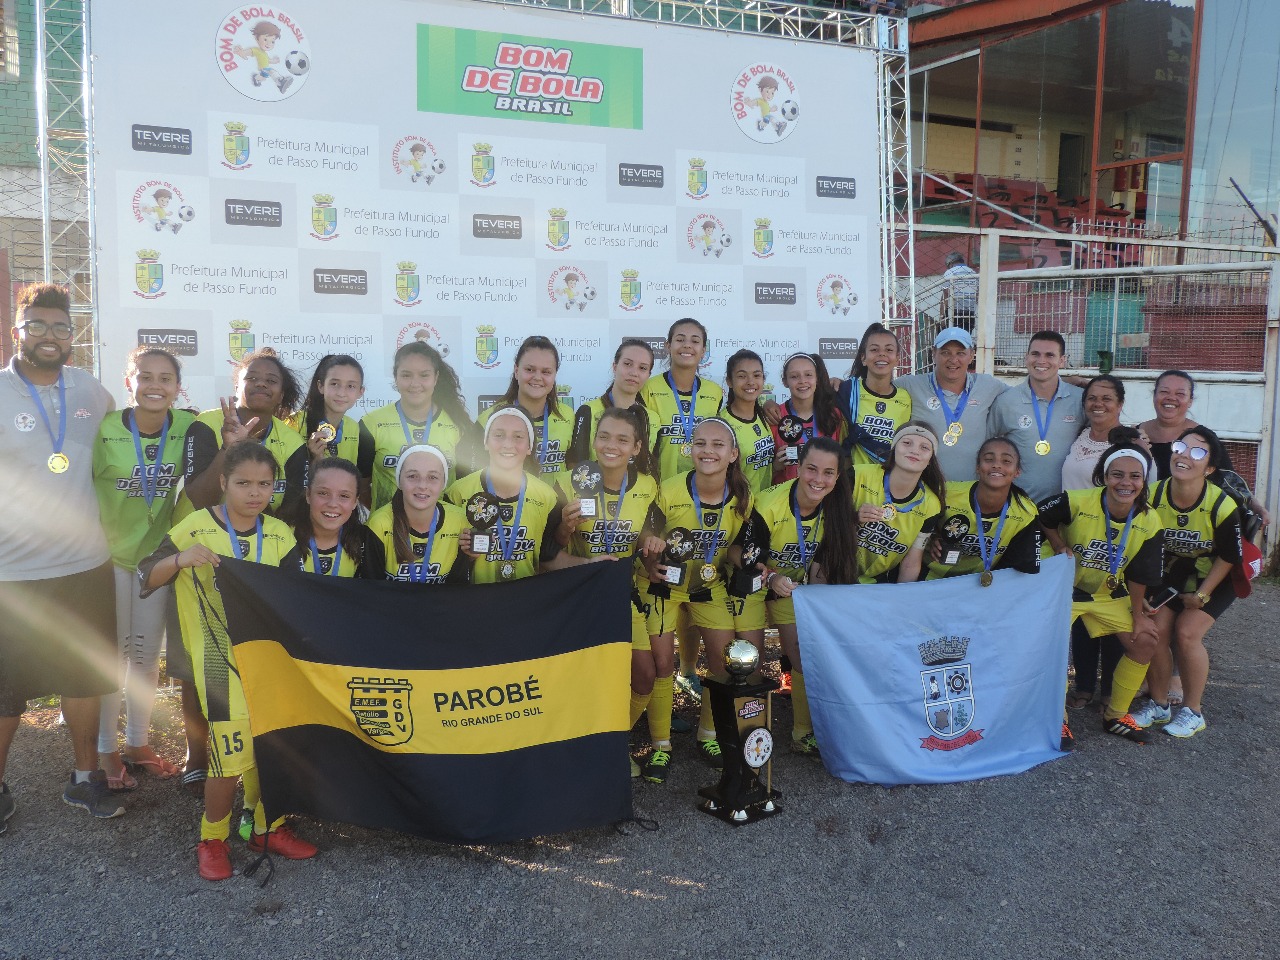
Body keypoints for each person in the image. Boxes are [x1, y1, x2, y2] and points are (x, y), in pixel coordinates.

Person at [138, 442, 318, 879]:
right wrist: (181, 559)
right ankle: (212, 837)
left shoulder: (278, 532)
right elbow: (147, 573)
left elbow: (295, 595)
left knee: (269, 745)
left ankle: (263, 826)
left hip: (266, 661)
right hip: (218, 663)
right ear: (224, 483)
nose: (254, 493)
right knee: (228, 755)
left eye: (264, 484)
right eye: (243, 483)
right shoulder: (196, 526)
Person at [0, 283, 122, 828]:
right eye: (38, 326)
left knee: (82, 678)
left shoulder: (91, 392)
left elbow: (127, 441)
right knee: (6, 690)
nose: (50, 337)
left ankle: (84, 778)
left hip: (83, 565)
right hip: (12, 572)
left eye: (60, 327)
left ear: (73, 335)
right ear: (17, 332)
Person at [92, 346, 193, 789]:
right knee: (112, 656)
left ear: (177, 386)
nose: (155, 385)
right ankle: (104, 750)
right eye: (145, 376)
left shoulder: (189, 426)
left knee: (146, 655)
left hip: (155, 559)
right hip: (106, 556)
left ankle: (137, 742)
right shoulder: (105, 430)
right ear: (128, 381)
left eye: (165, 378)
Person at [642, 418, 755, 775]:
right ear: (689, 449)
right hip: (664, 585)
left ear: (733, 453)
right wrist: (650, 560)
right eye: (700, 443)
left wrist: (747, 561)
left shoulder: (742, 497)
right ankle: (660, 744)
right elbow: (647, 535)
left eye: (718, 445)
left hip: (708, 586)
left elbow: (737, 547)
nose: (708, 451)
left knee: (723, 663)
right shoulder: (670, 489)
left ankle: (708, 735)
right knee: (662, 666)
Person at [553, 408, 662, 779]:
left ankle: (615, 739)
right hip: (575, 592)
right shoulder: (568, 481)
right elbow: (548, 554)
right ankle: (581, 746)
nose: (610, 446)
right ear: (593, 439)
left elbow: (646, 535)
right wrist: (565, 529)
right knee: (583, 681)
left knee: (645, 674)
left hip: (620, 591)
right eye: (604, 436)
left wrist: (652, 546)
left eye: (621, 439)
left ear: (636, 447)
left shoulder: (647, 485)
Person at [1039, 441, 1165, 743]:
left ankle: (1115, 716)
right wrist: (1057, 544)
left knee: (1145, 640)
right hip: (1063, 591)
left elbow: (1139, 573)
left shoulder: (1149, 520)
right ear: (1104, 476)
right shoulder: (1076, 501)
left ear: (1143, 481)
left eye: (1135, 476)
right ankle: (1057, 720)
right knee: (1050, 650)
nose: (1126, 483)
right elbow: (1040, 515)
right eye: (1117, 475)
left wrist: (1138, 616)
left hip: (1107, 593)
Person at [1128, 427, 1243, 738]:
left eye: (1197, 452)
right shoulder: (1153, 495)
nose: (1183, 455)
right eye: (1181, 447)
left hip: (1217, 575)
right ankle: (1160, 703)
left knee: (1187, 633)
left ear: (1210, 468)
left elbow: (1231, 557)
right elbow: (1144, 547)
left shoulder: (1222, 504)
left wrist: (1203, 595)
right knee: (1155, 631)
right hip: (1174, 573)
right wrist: (1146, 593)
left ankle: (1193, 711)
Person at [754, 438, 857, 755]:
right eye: (812, 469)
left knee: (802, 654)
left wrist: (815, 602)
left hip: (792, 589)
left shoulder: (837, 510)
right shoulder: (768, 504)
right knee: (751, 662)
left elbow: (824, 563)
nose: (818, 479)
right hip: (752, 583)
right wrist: (771, 577)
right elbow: (740, 557)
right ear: (798, 467)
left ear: (837, 477)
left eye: (828, 473)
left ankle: (802, 733)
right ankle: (748, 735)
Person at [446, 406, 581, 582]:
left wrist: (592, 563)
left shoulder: (547, 497)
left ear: (529, 447)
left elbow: (548, 557)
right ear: (486, 442)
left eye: (518, 436)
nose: (508, 444)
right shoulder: (457, 493)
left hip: (524, 601)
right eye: (498, 435)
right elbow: (445, 565)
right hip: (477, 602)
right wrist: (467, 556)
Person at [182, 348, 307, 518]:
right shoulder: (206, 425)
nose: (261, 384)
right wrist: (228, 447)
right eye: (251, 378)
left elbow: (290, 511)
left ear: (281, 395)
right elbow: (201, 501)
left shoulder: (293, 442)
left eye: (271, 380)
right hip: (197, 538)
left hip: (260, 541)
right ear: (237, 386)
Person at [360, 342, 471, 512]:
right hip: (388, 529)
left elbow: (465, 489)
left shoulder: (457, 426)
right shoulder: (372, 424)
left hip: (442, 531)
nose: (415, 383)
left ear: (436, 377)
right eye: (406, 375)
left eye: (424, 375)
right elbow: (360, 487)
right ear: (395, 377)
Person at [895, 327, 1007, 482]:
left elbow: (1020, 397)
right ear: (933, 353)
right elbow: (876, 389)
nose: (953, 360)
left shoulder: (988, 385)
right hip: (924, 490)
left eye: (960, 353)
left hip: (970, 491)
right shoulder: (911, 385)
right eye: (945, 352)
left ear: (971, 355)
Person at [925, 437, 1041, 581]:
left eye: (1006, 461)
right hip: (931, 578)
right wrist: (931, 537)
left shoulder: (1026, 512)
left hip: (980, 586)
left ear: (1017, 471)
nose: (997, 465)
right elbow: (915, 526)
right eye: (989, 459)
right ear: (978, 467)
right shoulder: (946, 494)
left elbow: (1020, 568)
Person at [989, 331, 1084, 503]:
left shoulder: (1079, 400)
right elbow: (988, 446)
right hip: (1019, 505)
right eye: (1035, 354)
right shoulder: (1006, 401)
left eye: (1050, 355)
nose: (1041, 361)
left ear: (1062, 360)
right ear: (1026, 357)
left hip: (1067, 506)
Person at [850, 422, 946, 584]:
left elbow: (911, 563)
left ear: (931, 459)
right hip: (834, 573)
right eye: (907, 443)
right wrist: (853, 517)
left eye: (924, 447)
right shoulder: (858, 474)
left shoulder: (931, 505)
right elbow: (825, 529)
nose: (914, 450)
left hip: (875, 583)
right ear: (894, 448)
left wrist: (902, 600)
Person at [367, 445, 469, 583]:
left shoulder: (460, 521)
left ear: (443, 483)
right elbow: (371, 590)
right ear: (399, 481)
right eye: (412, 476)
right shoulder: (379, 524)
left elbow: (458, 588)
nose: (422, 485)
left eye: (432, 477)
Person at [639, 318, 724, 482]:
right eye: (680, 339)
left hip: (701, 489)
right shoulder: (648, 388)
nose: (687, 345)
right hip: (657, 488)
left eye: (695, 341)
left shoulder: (714, 392)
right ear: (668, 346)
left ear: (704, 350)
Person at [477, 336, 573, 479]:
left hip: (558, 501)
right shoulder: (490, 418)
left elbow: (574, 468)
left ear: (554, 376)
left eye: (546, 372)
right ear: (516, 371)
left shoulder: (568, 416)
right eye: (530, 369)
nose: (537, 377)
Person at [284, 457, 385, 579]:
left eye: (344, 495)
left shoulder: (365, 542)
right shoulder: (283, 537)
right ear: (308, 495)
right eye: (323, 493)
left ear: (355, 502)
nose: (332, 504)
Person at [290, 355, 374, 503]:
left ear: (360, 392)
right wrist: (312, 458)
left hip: (336, 510)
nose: (341, 393)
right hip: (298, 509)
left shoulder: (353, 427)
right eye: (334, 384)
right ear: (321, 386)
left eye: (351, 386)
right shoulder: (294, 423)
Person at [835, 322, 912, 467]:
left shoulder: (905, 398)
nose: (882, 354)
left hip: (888, 481)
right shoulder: (847, 391)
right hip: (852, 480)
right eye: (874, 349)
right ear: (863, 358)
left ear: (897, 359)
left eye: (889, 350)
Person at [568, 339, 654, 467]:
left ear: (648, 374)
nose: (634, 373)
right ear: (615, 366)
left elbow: (650, 467)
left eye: (642, 368)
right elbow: (575, 466)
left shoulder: (653, 419)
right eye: (627, 364)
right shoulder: (588, 411)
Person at [1061, 376, 1153, 491]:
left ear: (1120, 404)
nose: (1098, 404)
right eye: (1092, 398)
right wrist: (1079, 381)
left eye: (1106, 399)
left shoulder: (1133, 444)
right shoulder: (1080, 435)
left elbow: (1148, 491)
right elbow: (1046, 383)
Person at [769, 352, 843, 484]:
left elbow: (842, 460)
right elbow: (760, 472)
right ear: (785, 381)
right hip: (786, 498)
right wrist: (775, 467)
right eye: (794, 376)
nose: (802, 381)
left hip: (824, 495)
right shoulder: (774, 417)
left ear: (817, 379)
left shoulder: (834, 415)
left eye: (808, 375)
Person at [721, 349, 776, 494]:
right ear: (729, 381)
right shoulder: (722, 425)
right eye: (742, 376)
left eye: (756, 375)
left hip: (764, 507)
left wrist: (776, 466)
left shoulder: (764, 417)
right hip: (738, 509)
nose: (750, 382)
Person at [940, 252, 979, 330]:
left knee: (951, 337)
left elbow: (946, 295)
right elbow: (977, 294)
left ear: (950, 263)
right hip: (969, 312)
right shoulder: (973, 272)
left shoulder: (950, 272)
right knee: (965, 336)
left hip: (954, 311)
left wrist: (942, 316)